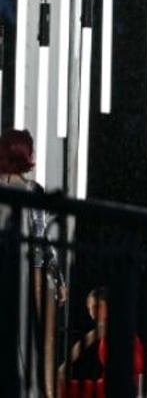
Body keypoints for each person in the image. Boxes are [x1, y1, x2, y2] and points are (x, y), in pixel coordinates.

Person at [0, 128, 66, 398]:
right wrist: (58, 281)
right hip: (21, 273)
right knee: (24, 339)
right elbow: (40, 243)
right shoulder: (31, 191)